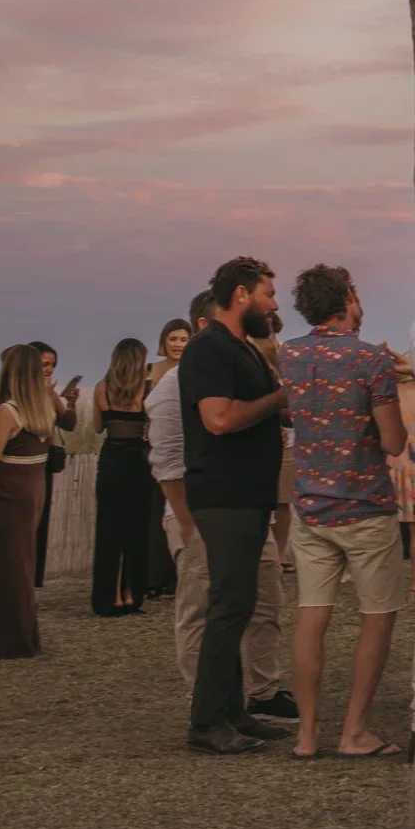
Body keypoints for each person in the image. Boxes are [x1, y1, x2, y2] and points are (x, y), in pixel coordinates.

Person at [275, 265, 409, 758]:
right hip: (365, 507)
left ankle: (306, 734)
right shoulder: (371, 360)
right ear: (348, 299)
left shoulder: (289, 355)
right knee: (377, 617)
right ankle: (353, 730)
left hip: (310, 507)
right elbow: (394, 441)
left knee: (312, 618)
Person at [148, 290, 288, 721]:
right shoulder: (175, 385)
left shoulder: (243, 370)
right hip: (202, 515)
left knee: (261, 600)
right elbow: (167, 458)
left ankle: (261, 693)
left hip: (243, 510)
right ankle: (206, 703)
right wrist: (187, 522)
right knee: (203, 610)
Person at [180, 257, 295, 755]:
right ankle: (206, 722)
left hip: (248, 495)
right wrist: (278, 399)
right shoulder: (209, 348)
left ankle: (233, 712)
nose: (274, 305)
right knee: (228, 605)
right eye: (269, 294)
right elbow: (219, 420)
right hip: (222, 494)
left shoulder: (243, 348)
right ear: (242, 294)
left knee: (240, 601)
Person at [0, 344, 54, 660]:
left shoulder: (9, 411)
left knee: (0, 565)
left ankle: (0, 639)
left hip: (7, 494)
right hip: (34, 489)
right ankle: (23, 633)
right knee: (22, 562)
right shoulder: (44, 409)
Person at [88, 337, 154, 616]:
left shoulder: (102, 388)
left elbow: (97, 427)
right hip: (138, 461)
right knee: (136, 530)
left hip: (112, 460)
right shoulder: (148, 389)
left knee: (109, 531)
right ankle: (131, 594)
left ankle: (109, 596)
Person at [143, 319, 190, 596]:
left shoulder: (192, 371)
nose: (178, 344)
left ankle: (176, 576)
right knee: (155, 512)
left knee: (178, 511)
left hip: (184, 449)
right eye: (173, 338)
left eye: (184, 339)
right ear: (164, 341)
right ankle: (154, 577)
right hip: (152, 444)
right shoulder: (150, 371)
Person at [28, 343, 81, 589]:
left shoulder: (49, 392)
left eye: (52, 365)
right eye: (44, 365)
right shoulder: (20, 393)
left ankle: (33, 581)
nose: (48, 370)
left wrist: (68, 403)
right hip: (24, 465)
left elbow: (68, 424)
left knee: (40, 522)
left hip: (44, 464)